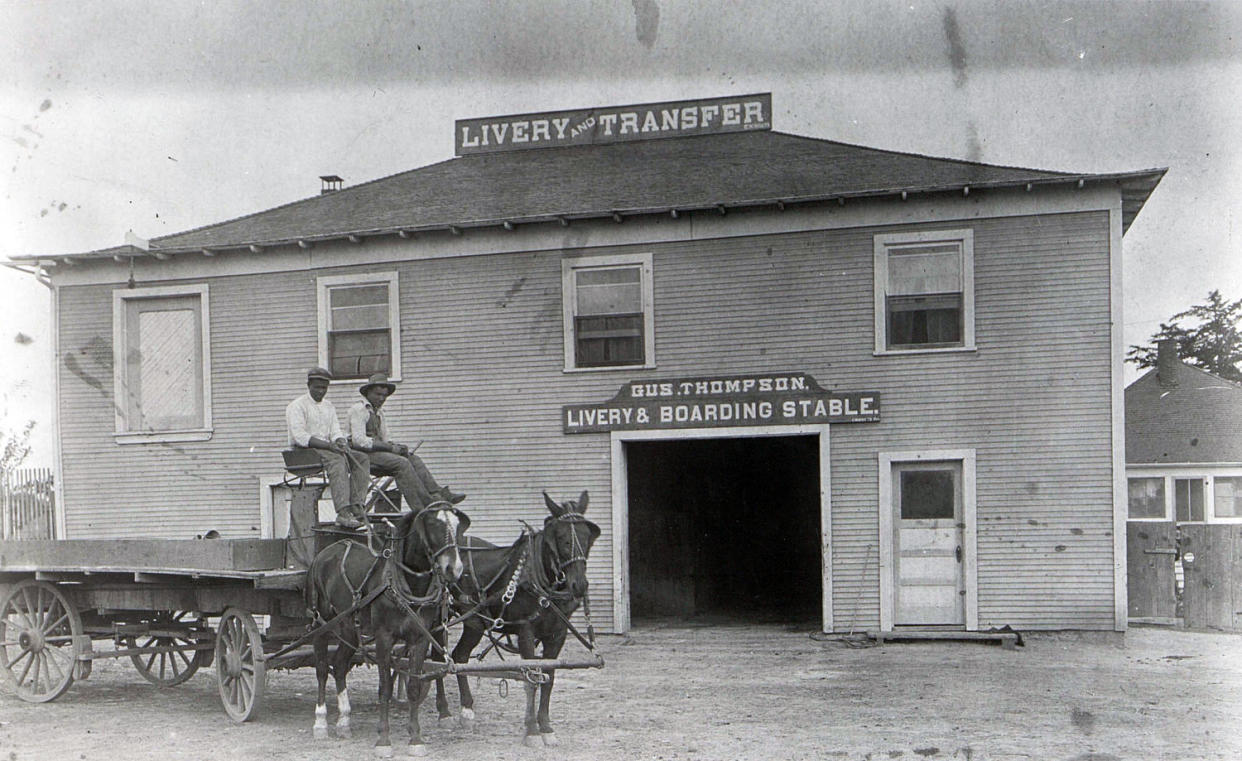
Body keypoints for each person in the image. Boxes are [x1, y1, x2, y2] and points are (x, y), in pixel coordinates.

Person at [348, 373, 465, 510]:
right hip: (360, 455)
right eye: (377, 394)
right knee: (401, 463)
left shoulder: (379, 413)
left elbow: (386, 439)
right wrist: (390, 448)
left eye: (384, 396)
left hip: (378, 454)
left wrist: (397, 447)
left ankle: (437, 494)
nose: (381, 398)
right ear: (368, 392)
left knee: (412, 458)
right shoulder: (359, 409)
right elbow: (359, 441)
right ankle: (424, 504)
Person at [286, 367, 370, 529]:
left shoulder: (329, 406)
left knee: (361, 458)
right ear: (308, 385)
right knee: (337, 461)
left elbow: (335, 430)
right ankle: (343, 512)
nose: (320, 391)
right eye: (317, 387)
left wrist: (340, 441)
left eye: (324, 387)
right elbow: (300, 437)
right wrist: (330, 446)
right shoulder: (296, 406)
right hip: (303, 451)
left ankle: (357, 506)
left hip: (326, 448)